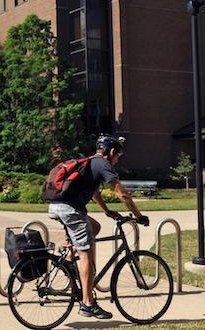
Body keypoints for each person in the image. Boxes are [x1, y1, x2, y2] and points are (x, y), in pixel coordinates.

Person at [47, 135, 148, 320]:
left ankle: (69, 257)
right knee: (86, 255)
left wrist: (107, 211)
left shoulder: (91, 163)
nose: (117, 160)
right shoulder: (103, 164)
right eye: (117, 156)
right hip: (70, 210)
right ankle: (87, 303)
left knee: (95, 226)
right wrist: (138, 216)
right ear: (111, 152)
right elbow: (122, 194)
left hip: (57, 206)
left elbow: (94, 191)